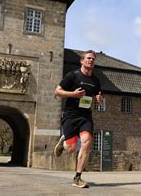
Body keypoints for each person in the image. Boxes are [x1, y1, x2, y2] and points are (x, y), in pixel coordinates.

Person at [53, 50, 104, 188]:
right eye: (88, 58)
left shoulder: (95, 80)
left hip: (85, 116)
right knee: (71, 149)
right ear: (82, 61)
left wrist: (99, 100)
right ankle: (64, 141)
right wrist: (73, 94)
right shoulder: (72, 76)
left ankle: (77, 177)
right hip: (70, 115)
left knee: (87, 142)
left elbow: (97, 97)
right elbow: (57, 91)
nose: (91, 60)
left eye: (93, 59)